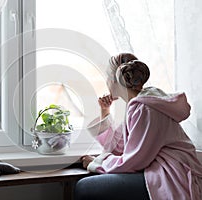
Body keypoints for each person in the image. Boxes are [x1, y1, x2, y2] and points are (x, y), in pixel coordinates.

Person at [75, 53, 202, 200]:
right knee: (87, 186)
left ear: (115, 79)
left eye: (107, 77)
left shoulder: (145, 109)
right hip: (159, 169)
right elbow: (118, 147)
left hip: (171, 173)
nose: (106, 82)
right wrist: (105, 112)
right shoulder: (139, 105)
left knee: (85, 188)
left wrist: (97, 163)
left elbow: (134, 160)